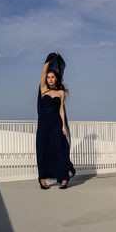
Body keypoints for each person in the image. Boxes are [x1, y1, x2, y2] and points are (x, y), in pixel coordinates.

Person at [36, 51, 76, 189]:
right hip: (43, 125)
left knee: (60, 150)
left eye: (52, 77)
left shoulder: (60, 93)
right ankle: (42, 179)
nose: (50, 79)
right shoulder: (43, 89)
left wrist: (64, 126)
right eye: (49, 77)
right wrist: (51, 57)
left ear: (56, 78)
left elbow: (61, 110)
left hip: (56, 125)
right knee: (42, 149)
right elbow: (43, 72)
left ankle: (64, 178)